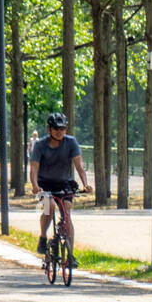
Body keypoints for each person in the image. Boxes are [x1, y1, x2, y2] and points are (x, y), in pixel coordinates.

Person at [29, 112, 92, 267]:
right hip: (45, 183)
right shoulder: (40, 145)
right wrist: (35, 186)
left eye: (63, 129)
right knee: (48, 207)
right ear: (49, 129)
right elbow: (34, 169)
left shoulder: (71, 143)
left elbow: (79, 167)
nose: (60, 132)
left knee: (67, 214)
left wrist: (85, 184)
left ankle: (70, 255)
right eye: (56, 129)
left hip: (64, 183)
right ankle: (43, 236)